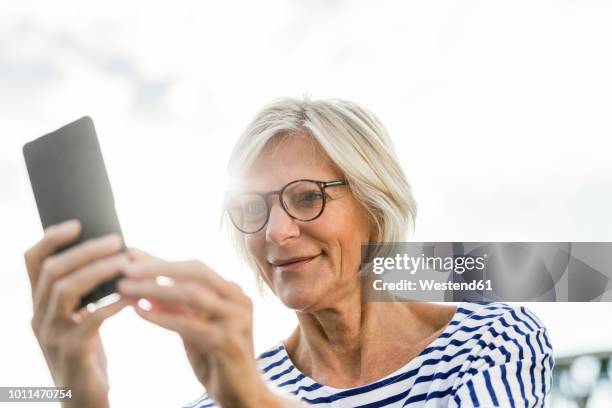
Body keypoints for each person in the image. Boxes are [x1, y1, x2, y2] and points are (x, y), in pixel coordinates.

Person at [24, 97, 554, 407]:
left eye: (307, 197)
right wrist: (81, 396)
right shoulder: (222, 394)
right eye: (253, 207)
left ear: (376, 204)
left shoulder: (494, 341)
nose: (277, 232)